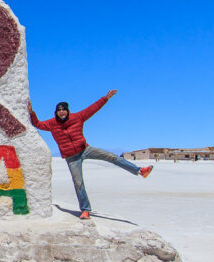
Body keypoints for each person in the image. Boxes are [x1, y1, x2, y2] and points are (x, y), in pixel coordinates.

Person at [28, 90, 152, 220]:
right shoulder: (52, 124)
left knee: (112, 157)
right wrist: (31, 112)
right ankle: (85, 210)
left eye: (64, 109)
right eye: (59, 110)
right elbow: (38, 124)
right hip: (71, 158)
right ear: (56, 112)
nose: (62, 112)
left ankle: (140, 171)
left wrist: (106, 98)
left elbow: (92, 109)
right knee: (78, 183)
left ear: (68, 110)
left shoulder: (77, 117)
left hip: (85, 149)